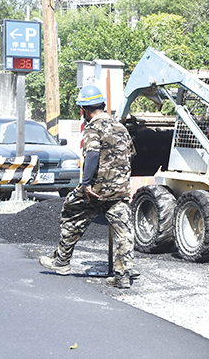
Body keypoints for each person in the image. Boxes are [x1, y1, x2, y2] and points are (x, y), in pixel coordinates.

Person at [39, 85, 137, 289]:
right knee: (124, 229)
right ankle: (122, 275)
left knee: (72, 214)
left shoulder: (93, 127)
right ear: (102, 105)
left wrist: (85, 184)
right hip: (119, 190)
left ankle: (62, 261)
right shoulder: (121, 127)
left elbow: (92, 154)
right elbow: (131, 155)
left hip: (96, 190)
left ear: (84, 110)